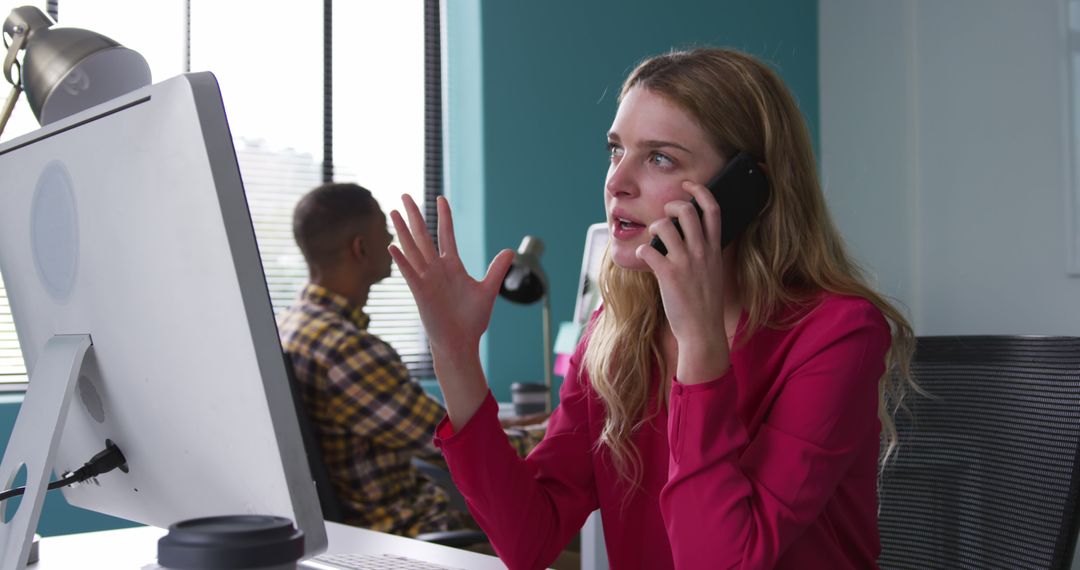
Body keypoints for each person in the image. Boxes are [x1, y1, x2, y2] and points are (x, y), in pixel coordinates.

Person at [388, 47, 917, 569]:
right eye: (616, 150)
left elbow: (721, 562)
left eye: (659, 157)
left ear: (746, 188)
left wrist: (699, 346)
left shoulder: (838, 332)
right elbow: (530, 538)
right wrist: (455, 354)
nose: (617, 181)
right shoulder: (617, 330)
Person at [277, 182, 543, 538]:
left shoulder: (293, 324)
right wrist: (562, 431)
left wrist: (516, 425)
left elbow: (431, 427)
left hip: (372, 531)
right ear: (361, 248)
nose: (391, 239)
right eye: (383, 231)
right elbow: (462, 450)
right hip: (412, 538)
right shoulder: (348, 351)